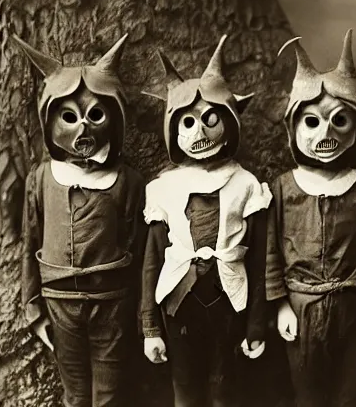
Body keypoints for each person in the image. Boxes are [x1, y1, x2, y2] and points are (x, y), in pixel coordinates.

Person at [141, 35, 272, 407]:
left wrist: (256, 323)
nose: (198, 133)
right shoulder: (163, 188)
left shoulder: (247, 184)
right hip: (178, 304)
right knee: (184, 388)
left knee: (224, 388)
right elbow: (152, 262)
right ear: (172, 130)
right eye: (187, 123)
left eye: (209, 119)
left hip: (230, 302)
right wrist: (150, 328)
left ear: (229, 122)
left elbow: (261, 260)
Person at [16, 33, 146, 407]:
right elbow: (31, 242)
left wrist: (140, 312)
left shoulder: (128, 181)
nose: (83, 130)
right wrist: (32, 304)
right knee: (74, 394)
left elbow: (138, 250)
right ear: (50, 120)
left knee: (110, 395)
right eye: (69, 117)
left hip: (112, 304)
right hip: (59, 303)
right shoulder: (41, 179)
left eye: (95, 115)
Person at [266, 29, 356, 407]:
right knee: (307, 395)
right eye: (312, 122)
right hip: (302, 309)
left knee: (348, 396)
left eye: (339, 121)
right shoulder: (283, 187)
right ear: (293, 129)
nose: (326, 132)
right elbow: (271, 252)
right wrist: (280, 305)